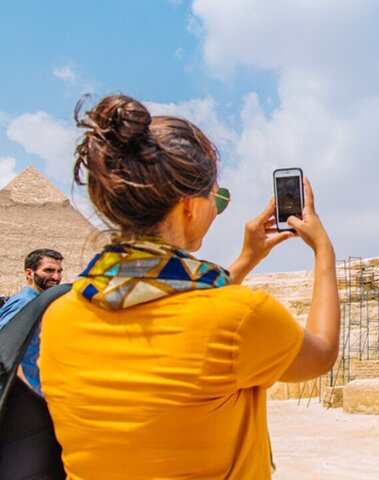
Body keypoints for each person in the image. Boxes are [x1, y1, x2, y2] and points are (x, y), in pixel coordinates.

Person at [38, 94, 340, 479]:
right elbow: (321, 353)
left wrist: (245, 260)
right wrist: (323, 250)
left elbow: (169, 306)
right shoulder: (241, 316)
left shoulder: (59, 317)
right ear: (189, 206)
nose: (217, 208)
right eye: (218, 198)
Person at [0, 248, 63, 394]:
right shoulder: (26, 303)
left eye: (59, 271)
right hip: (18, 390)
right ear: (29, 273)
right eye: (48, 270)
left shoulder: (38, 301)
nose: (56, 277)